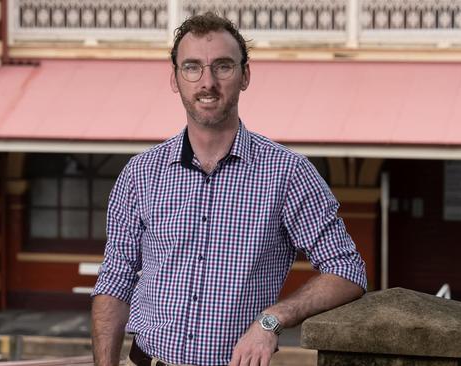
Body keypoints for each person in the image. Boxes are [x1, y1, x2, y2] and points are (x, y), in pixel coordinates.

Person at [91, 12, 367, 366]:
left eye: (222, 66)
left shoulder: (287, 173)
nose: (207, 82)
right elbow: (114, 281)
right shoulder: (141, 173)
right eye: (192, 67)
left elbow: (347, 269)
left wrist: (271, 320)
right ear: (175, 79)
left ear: (245, 75)